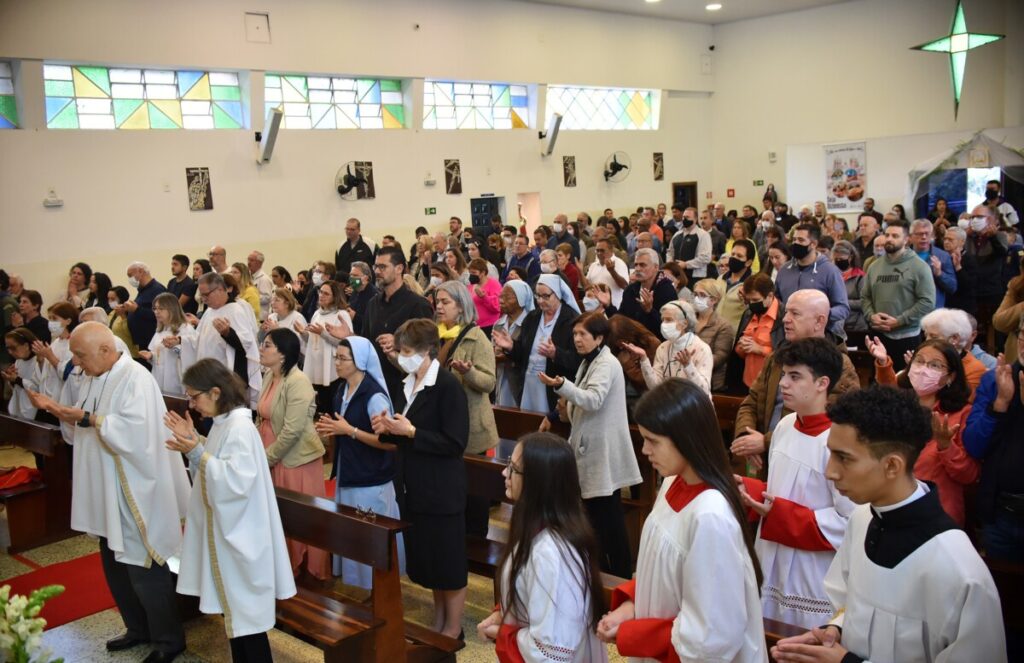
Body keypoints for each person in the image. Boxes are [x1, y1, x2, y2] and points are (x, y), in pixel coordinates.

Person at [772, 386, 1007, 663]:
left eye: (844, 457)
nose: (830, 471)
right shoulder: (862, 519)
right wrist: (833, 632)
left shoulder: (958, 568)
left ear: (892, 466)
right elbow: (849, 602)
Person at [28, 322, 190, 663]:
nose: (77, 363)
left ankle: (168, 640)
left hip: (136, 488)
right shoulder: (97, 374)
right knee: (113, 562)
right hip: (107, 489)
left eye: (81, 356)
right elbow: (89, 420)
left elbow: (137, 433)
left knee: (143, 566)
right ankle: (137, 628)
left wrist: (84, 417)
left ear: (105, 349)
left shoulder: (135, 378)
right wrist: (70, 414)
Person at [598, 379, 766, 662]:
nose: (645, 450)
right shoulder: (672, 482)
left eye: (653, 441)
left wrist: (635, 634)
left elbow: (712, 634)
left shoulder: (711, 515)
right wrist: (632, 605)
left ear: (687, 439)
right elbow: (665, 574)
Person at [165, 359, 295, 662]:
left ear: (215, 392)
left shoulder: (238, 427)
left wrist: (195, 450)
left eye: (194, 396)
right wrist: (194, 441)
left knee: (247, 624)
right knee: (237, 621)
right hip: (231, 535)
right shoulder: (225, 424)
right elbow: (217, 462)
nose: (192, 404)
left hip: (243, 539)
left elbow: (236, 482)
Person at [738, 338, 854, 630]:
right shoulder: (785, 426)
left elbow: (849, 521)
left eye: (795, 376)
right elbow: (780, 486)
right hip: (771, 556)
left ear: (822, 383)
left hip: (811, 572)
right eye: (784, 375)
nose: (783, 384)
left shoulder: (838, 442)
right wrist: (748, 489)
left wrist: (778, 514)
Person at [371, 319, 469, 639]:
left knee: (448, 562)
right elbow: (406, 433)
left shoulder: (447, 386)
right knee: (431, 561)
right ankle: (439, 620)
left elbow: (455, 443)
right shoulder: (407, 383)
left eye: (408, 351)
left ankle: (453, 628)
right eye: (400, 351)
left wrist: (411, 432)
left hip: (441, 487)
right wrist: (390, 429)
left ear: (428, 350)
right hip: (414, 485)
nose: (403, 356)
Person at [477, 433, 607, 661]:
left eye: (514, 469)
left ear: (539, 483)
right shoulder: (535, 527)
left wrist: (503, 633)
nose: (505, 473)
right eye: (508, 464)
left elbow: (552, 651)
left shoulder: (552, 553)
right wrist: (504, 613)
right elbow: (531, 591)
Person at [539, 312, 641, 576]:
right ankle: (599, 570)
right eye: (574, 334)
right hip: (591, 449)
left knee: (609, 520)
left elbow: (594, 399)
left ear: (599, 337)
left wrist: (562, 385)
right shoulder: (590, 361)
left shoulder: (606, 363)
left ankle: (617, 576)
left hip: (601, 452)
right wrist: (557, 410)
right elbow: (581, 398)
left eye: (583, 334)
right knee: (595, 517)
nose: (577, 339)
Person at [731, 290, 862, 473]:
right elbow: (751, 402)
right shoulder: (776, 358)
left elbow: (837, 419)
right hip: (765, 459)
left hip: (808, 462)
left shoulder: (839, 365)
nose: (785, 319)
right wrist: (747, 437)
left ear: (819, 321)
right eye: (786, 312)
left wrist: (765, 441)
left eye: (795, 313)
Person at [314, 336, 404, 589]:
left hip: (371, 477)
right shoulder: (342, 389)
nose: (337, 363)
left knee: (369, 539)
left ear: (360, 361)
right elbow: (341, 428)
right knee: (352, 535)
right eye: (337, 357)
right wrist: (332, 430)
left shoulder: (374, 396)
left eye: (343, 358)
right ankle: (359, 589)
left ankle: (377, 590)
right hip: (349, 471)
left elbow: (389, 442)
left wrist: (349, 430)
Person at [865, 336, 977, 525]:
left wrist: (945, 446)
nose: (924, 369)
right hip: (890, 507)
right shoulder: (902, 403)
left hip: (936, 514)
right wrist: (883, 362)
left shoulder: (962, 414)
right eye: (919, 361)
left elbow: (968, 475)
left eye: (935, 366)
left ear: (951, 376)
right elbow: (888, 390)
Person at [256, 329, 329, 580]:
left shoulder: (298, 381)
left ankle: (303, 570)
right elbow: (262, 415)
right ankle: (281, 566)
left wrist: (266, 458)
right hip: (270, 450)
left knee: (296, 517)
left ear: (284, 354)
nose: (261, 349)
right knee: (276, 514)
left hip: (293, 459)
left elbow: (292, 430)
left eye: (267, 345)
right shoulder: (269, 376)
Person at [434, 281, 498, 535]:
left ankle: (475, 541)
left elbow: (489, 382)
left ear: (461, 306)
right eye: (437, 302)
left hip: (471, 426)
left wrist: (469, 372)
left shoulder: (476, 337)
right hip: (445, 424)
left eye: (445, 302)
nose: (439, 307)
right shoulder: (437, 335)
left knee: (474, 494)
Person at [964, 319, 1024, 564]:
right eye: (1022, 335)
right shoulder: (996, 379)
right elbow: (974, 445)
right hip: (1001, 514)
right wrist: (1000, 404)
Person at [493, 274, 580, 414]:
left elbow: (578, 359)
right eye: (538, 296)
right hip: (529, 383)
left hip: (553, 386)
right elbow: (523, 354)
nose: (540, 301)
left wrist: (555, 353)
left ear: (557, 294)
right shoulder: (533, 317)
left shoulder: (571, 320)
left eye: (546, 296)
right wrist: (511, 347)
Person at [362, 247, 435, 409]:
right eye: (376, 267)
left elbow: (429, 352)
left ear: (399, 268)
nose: (377, 271)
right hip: (376, 386)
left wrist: (398, 343)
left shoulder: (418, 305)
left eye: (383, 267)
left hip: (406, 387)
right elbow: (367, 342)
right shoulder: (373, 304)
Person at [861, 219, 936, 372]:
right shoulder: (874, 266)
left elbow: (927, 302)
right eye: (887, 235)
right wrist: (871, 316)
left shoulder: (919, 267)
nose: (889, 239)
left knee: (904, 382)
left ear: (906, 239)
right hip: (878, 334)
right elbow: (865, 297)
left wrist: (900, 321)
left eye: (895, 236)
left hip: (906, 337)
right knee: (879, 381)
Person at [189, 273, 261, 406]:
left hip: (228, 380)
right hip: (208, 377)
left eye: (206, 294)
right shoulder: (209, 312)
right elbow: (198, 341)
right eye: (201, 295)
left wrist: (228, 333)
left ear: (220, 289)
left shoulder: (235, 310)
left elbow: (247, 347)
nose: (203, 299)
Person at [773, 223, 849, 340]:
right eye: (794, 239)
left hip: (820, 338)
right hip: (788, 336)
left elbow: (843, 308)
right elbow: (776, 300)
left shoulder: (830, 271)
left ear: (813, 244)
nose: (795, 243)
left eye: (801, 240)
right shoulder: (784, 270)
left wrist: (819, 315)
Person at [621, 300, 713, 395]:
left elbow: (704, 391)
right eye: (663, 320)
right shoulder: (663, 347)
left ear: (684, 324)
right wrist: (644, 359)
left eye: (669, 320)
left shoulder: (702, 348)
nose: (663, 324)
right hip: (670, 405)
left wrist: (688, 366)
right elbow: (654, 386)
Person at [301, 279, 352, 413]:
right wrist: (303, 333)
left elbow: (346, 344)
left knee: (332, 405)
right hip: (316, 362)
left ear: (335, 296)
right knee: (321, 403)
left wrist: (323, 333)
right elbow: (312, 340)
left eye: (326, 293)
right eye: (320, 292)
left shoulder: (341, 314)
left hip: (332, 366)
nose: (321, 295)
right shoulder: (317, 313)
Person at [603, 248, 677, 340]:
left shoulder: (666, 290)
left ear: (656, 267)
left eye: (642, 265)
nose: (637, 269)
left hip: (656, 344)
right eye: (636, 265)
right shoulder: (630, 290)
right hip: (631, 342)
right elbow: (622, 320)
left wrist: (650, 311)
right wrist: (608, 306)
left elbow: (668, 328)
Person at [966, 204, 1009, 350]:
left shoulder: (1000, 236)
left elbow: (1002, 253)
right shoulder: (970, 237)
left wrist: (992, 237)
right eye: (972, 217)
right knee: (974, 329)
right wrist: (966, 236)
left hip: (993, 291)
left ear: (991, 219)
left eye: (979, 217)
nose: (974, 220)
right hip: (973, 292)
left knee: (996, 333)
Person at [731, 273, 784, 390]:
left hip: (773, 385)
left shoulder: (784, 317)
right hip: (747, 383)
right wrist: (741, 346)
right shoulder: (748, 314)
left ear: (770, 296)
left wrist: (760, 349)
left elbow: (789, 354)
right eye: (748, 300)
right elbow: (739, 353)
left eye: (755, 300)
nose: (752, 304)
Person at [140, 292, 198, 395]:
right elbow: (158, 355)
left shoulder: (184, 329)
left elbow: (192, 354)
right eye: (155, 308)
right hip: (159, 377)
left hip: (175, 379)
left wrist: (175, 346)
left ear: (172, 309)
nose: (156, 312)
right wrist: (151, 356)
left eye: (161, 309)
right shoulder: (160, 330)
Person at [493, 280, 534, 408]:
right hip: (500, 377)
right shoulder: (498, 324)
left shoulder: (530, 324)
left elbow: (528, 354)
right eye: (501, 296)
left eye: (507, 297)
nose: (501, 300)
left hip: (519, 381)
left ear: (521, 299)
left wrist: (505, 355)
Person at [691, 279, 734, 392]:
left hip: (710, 383)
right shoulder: (688, 320)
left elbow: (721, 356)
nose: (696, 298)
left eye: (702, 295)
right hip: (686, 378)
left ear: (714, 299)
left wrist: (692, 362)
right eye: (695, 294)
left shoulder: (723, 326)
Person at [909, 219, 957, 308]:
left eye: (927, 234)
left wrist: (939, 274)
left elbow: (952, 287)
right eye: (919, 234)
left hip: (933, 311)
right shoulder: (903, 256)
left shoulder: (943, 256)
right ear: (910, 237)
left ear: (933, 236)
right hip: (909, 309)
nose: (923, 237)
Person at [125, 261, 167, 356]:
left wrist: (136, 309)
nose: (129, 279)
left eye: (130, 275)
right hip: (142, 341)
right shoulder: (143, 290)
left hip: (151, 339)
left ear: (140, 271)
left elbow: (162, 314)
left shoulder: (157, 289)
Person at [831, 240, 867, 346]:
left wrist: (843, 302)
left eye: (841, 259)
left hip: (856, 326)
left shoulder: (860, 277)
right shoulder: (832, 275)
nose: (838, 261)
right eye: (836, 259)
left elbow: (864, 302)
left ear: (850, 257)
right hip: (836, 325)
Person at [716, 239, 756, 330]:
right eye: (733, 254)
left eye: (739, 256)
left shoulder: (753, 284)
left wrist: (747, 300)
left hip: (734, 335)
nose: (734, 258)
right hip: (716, 332)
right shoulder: (720, 278)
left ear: (748, 262)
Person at [2, 328, 42, 420]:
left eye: (13, 348)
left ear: (26, 345)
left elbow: (38, 388)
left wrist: (16, 379)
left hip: (37, 413)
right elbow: (17, 388)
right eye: (8, 348)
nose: (10, 352)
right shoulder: (18, 361)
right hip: (19, 410)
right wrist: (11, 379)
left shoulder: (39, 361)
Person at [667, 206, 713, 284]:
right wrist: (670, 263)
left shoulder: (703, 235)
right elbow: (670, 252)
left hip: (695, 277)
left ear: (695, 219)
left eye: (687, 217)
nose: (684, 219)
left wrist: (686, 264)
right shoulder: (677, 234)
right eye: (683, 217)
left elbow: (705, 258)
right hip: (677, 275)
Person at [584, 238, 630, 309]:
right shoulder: (593, 265)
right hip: (596, 309)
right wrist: (579, 271)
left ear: (611, 250)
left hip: (614, 308)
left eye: (602, 250)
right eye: (597, 250)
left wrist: (612, 271)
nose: (599, 253)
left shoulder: (619, 263)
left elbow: (625, 286)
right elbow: (587, 286)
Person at [944, 226, 978, 317]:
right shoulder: (942, 256)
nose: (946, 242)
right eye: (945, 239)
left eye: (950, 239)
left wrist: (958, 267)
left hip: (963, 307)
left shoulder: (969, 259)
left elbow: (969, 285)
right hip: (946, 305)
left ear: (962, 242)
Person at [466, 258, 501, 334]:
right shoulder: (471, 285)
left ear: (483, 273)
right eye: (469, 273)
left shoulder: (493, 284)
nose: (471, 275)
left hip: (489, 326)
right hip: (474, 326)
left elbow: (497, 307)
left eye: (474, 272)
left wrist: (484, 297)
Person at [107, 286, 140, 358]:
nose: (110, 301)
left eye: (112, 299)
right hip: (116, 354)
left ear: (121, 299)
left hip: (130, 355)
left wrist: (123, 316)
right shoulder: (112, 313)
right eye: (108, 298)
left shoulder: (130, 313)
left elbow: (131, 333)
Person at [247, 251, 274, 321]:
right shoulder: (247, 277)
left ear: (259, 263)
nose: (248, 262)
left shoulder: (264, 279)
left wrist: (251, 297)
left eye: (251, 260)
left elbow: (267, 298)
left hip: (261, 318)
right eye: (248, 259)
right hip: (251, 317)